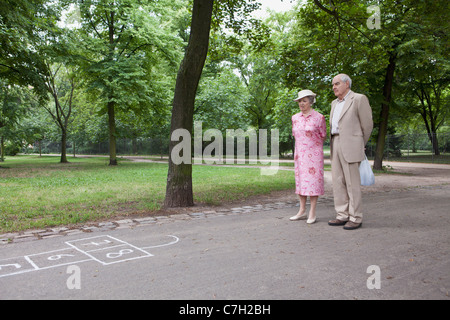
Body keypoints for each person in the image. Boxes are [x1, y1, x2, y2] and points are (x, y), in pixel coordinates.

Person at [328, 74, 373, 230]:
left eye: (337, 84)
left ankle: (355, 217)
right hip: (335, 142)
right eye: (333, 84)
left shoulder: (359, 99)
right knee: (337, 181)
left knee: (352, 183)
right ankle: (342, 215)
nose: (334, 87)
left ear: (347, 84)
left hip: (352, 144)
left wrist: (360, 143)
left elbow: (367, 125)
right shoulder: (334, 103)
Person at [290, 89, 327, 224]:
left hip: (314, 155)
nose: (301, 103)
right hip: (300, 154)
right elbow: (295, 135)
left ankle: (312, 211)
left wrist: (312, 147)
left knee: (313, 182)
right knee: (301, 182)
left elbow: (323, 135)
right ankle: (301, 211)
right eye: (300, 101)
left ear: (311, 102)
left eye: (304, 101)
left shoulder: (319, 117)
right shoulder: (294, 118)